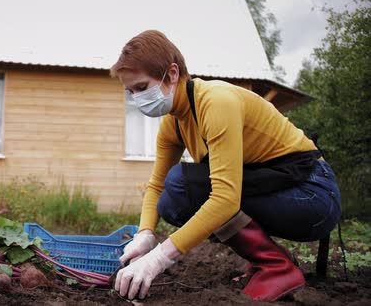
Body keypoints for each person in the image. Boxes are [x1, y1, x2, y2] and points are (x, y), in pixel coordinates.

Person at [110, 30, 341, 302]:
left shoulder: (216, 102)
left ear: (172, 74)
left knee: (182, 186)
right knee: (172, 197)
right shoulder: (174, 124)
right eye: (131, 92)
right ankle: (268, 260)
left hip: (313, 195)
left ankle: (276, 268)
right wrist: (145, 234)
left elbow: (225, 199)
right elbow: (156, 186)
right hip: (282, 190)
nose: (138, 99)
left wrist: (159, 259)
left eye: (141, 87)